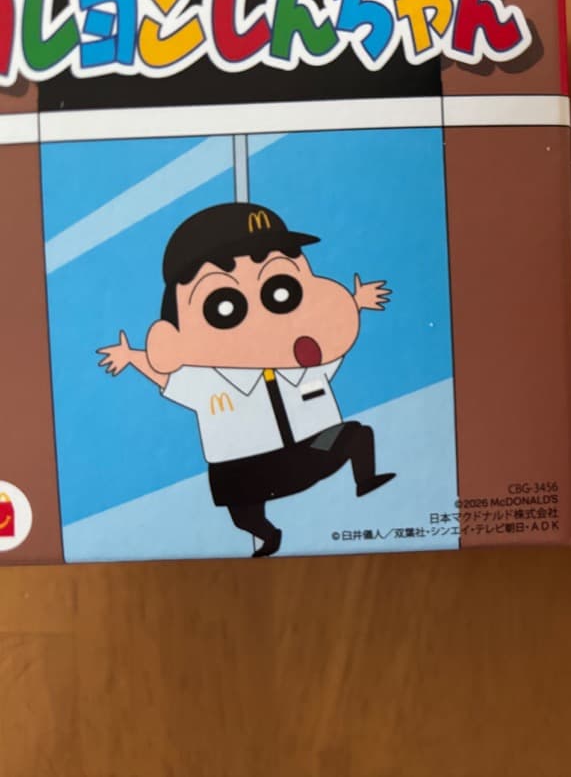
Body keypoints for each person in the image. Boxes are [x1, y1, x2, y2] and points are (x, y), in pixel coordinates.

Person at [97, 203, 395, 557]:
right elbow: (167, 378)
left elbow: (332, 341)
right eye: (223, 307)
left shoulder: (302, 362)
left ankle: (365, 481)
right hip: (245, 468)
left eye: (282, 290)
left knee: (356, 435)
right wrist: (134, 357)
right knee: (241, 515)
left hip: (311, 450)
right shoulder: (208, 380)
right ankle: (269, 535)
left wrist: (353, 305)